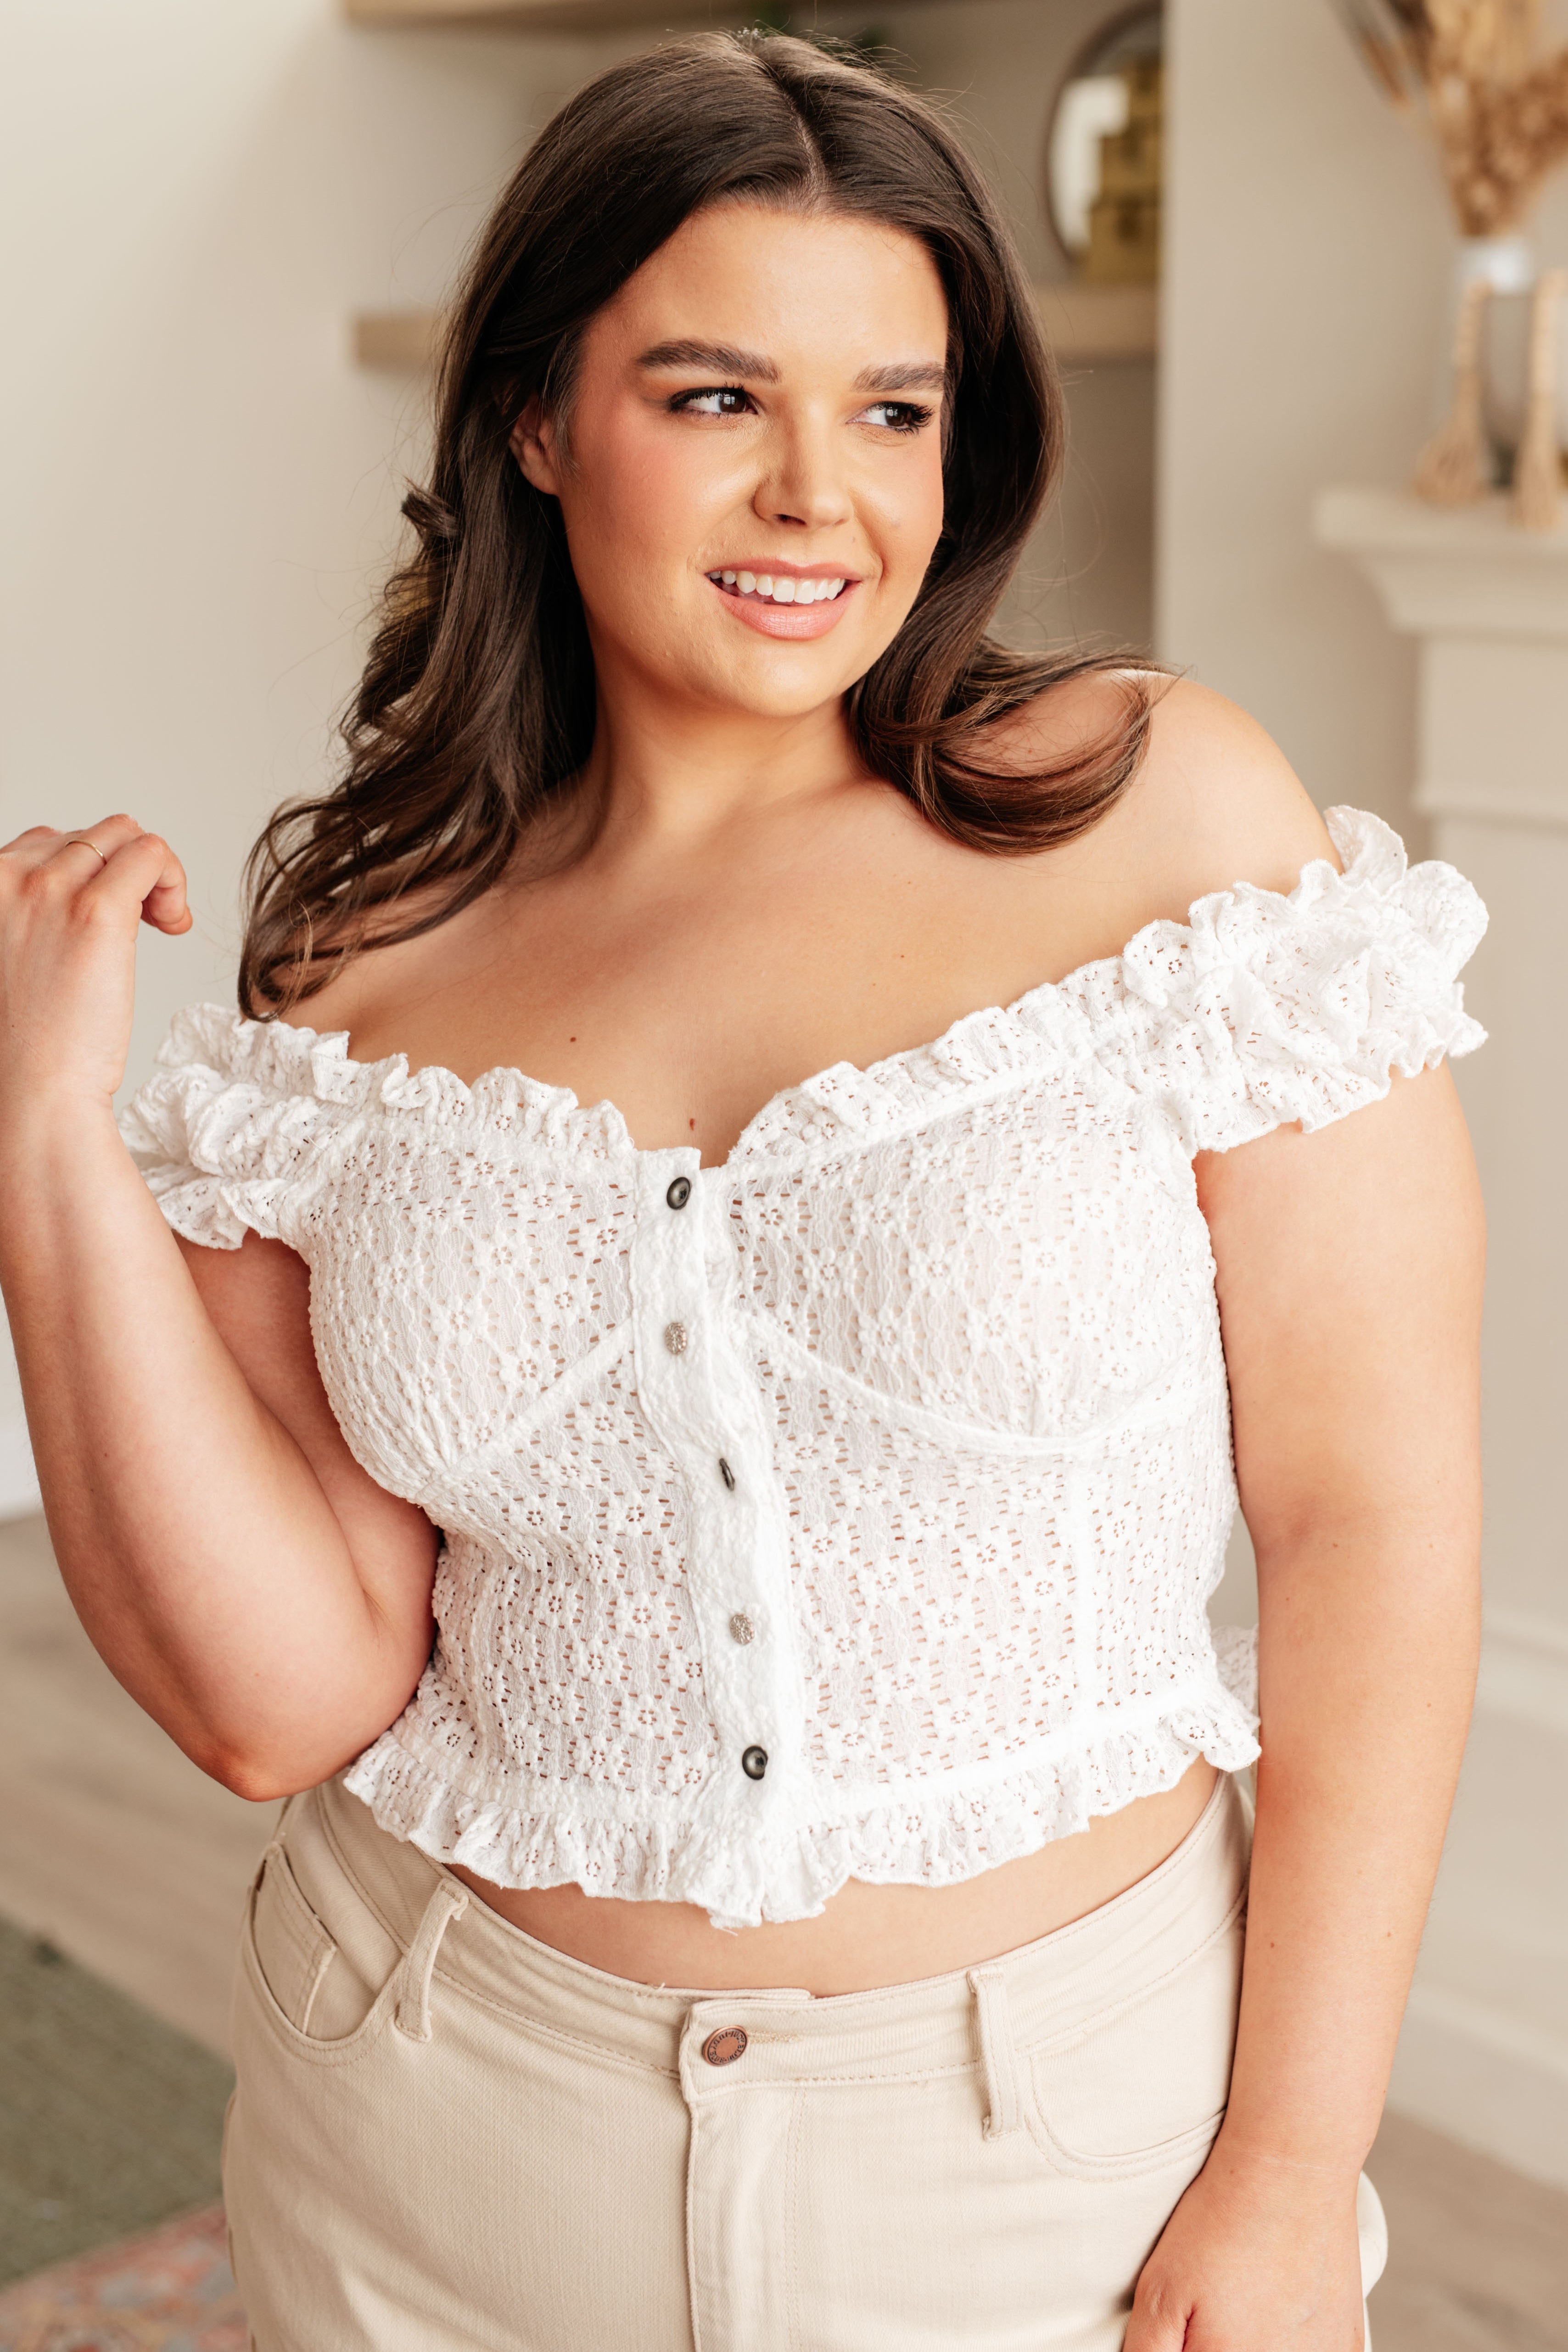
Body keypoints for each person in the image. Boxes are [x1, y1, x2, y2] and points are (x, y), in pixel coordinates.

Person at [0, 33, 1485, 2352]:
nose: (817, 497)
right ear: (534, 419)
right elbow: (278, 1701)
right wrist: (43, 1140)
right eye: (713, 397)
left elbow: (1365, 1514)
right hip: (425, 2142)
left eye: (891, 410)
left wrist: (1293, 2159)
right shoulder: (366, 950)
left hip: (1048, 2168)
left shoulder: (1162, 825)